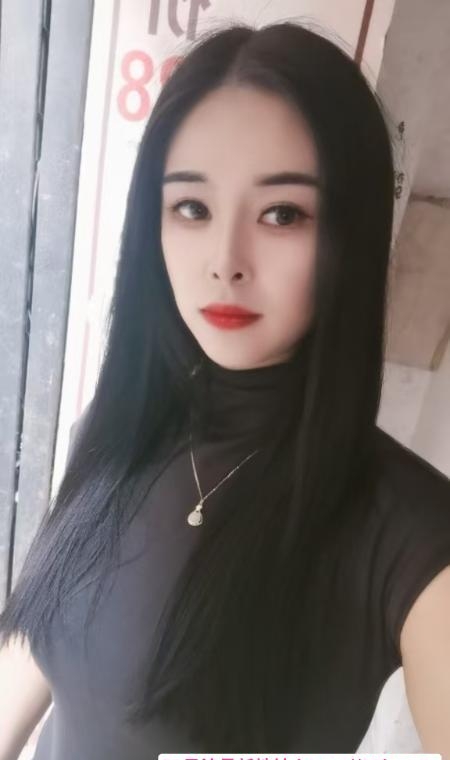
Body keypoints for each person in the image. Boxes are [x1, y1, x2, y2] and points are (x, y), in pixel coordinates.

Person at [1, 19, 450, 760]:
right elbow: (31, 652)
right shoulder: (116, 432)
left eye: (282, 213)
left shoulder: (410, 534)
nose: (225, 261)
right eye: (192, 208)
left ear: (352, 235)